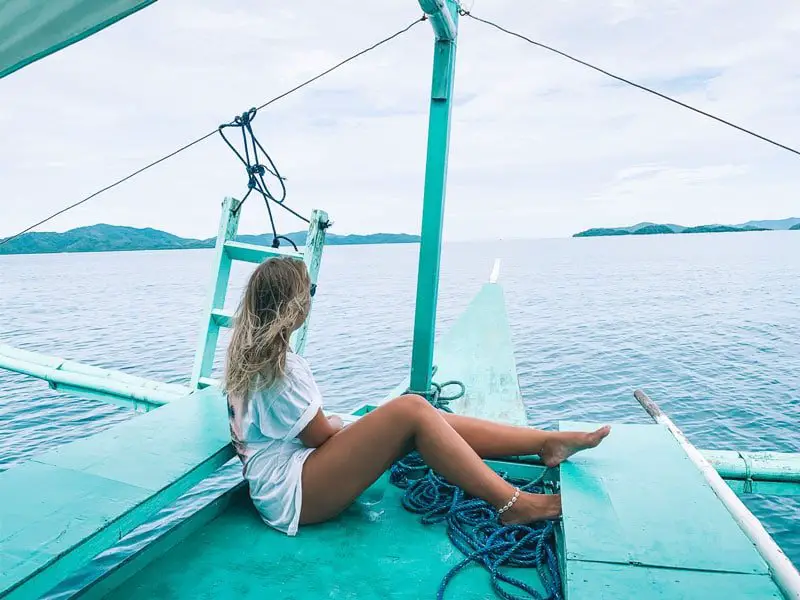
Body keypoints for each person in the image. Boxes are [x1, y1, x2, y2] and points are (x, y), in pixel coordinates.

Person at [224, 256, 610, 536]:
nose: (311, 298)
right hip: (295, 493)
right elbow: (321, 436)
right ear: (293, 306)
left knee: (425, 416)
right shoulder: (282, 369)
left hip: (283, 480)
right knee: (411, 408)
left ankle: (544, 443)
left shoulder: (252, 357)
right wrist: (341, 423)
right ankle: (515, 505)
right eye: (309, 290)